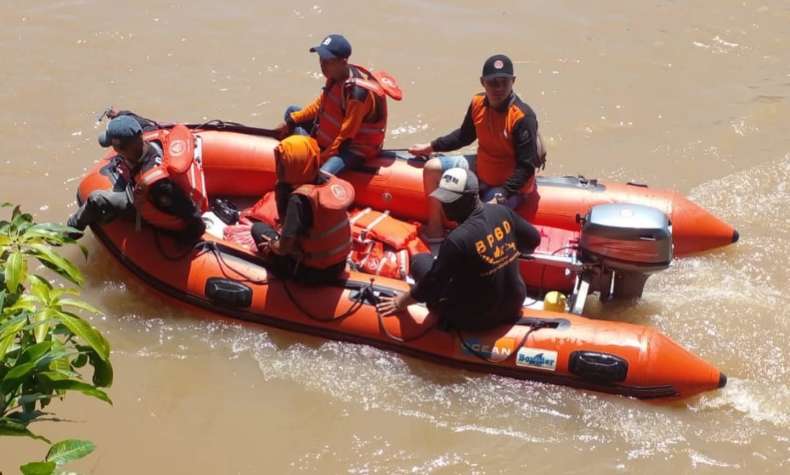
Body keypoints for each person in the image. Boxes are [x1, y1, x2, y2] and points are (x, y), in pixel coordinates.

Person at [376, 168, 541, 332]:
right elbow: (533, 240)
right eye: (444, 200)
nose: (446, 206)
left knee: (421, 261)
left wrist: (401, 302)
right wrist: (500, 250)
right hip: (515, 302)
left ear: (472, 197)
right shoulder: (503, 212)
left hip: (476, 318)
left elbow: (432, 287)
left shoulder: (457, 240)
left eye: (452, 201)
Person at [409, 54, 546, 241]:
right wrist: (431, 146)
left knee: (478, 221)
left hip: (509, 185)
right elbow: (464, 136)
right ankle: (435, 230)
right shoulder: (477, 103)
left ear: (513, 81)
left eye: (504, 82)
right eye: (492, 82)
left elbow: (526, 166)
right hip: (481, 166)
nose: (498, 88)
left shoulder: (523, 117)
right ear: (483, 82)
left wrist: (501, 194)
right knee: (431, 168)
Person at [66, 115, 205, 242]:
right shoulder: (154, 143)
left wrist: (185, 238)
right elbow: (141, 123)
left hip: (149, 202)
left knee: (96, 199)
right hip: (148, 184)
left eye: (113, 145)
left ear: (121, 148)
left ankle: (69, 233)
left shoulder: (157, 184)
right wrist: (120, 113)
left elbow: (191, 214)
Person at [273, 34, 390, 176]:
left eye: (328, 61)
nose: (322, 64)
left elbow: (345, 138)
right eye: (321, 59)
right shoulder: (334, 76)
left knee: (321, 174)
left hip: (351, 148)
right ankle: (303, 149)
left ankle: (306, 156)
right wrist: (291, 121)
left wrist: (319, 159)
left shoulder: (357, 94)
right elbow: (319, 105)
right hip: (332, 137)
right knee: (291, 111)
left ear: (343, 62)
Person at [251, 135, 354, 284]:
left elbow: (284, 248)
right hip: (338, 265)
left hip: (310, 272)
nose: (277, 167)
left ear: (294, 166)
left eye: (282, 164)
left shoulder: (298, 200)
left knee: (258, 228)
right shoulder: (328, 181)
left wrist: (272, 244)